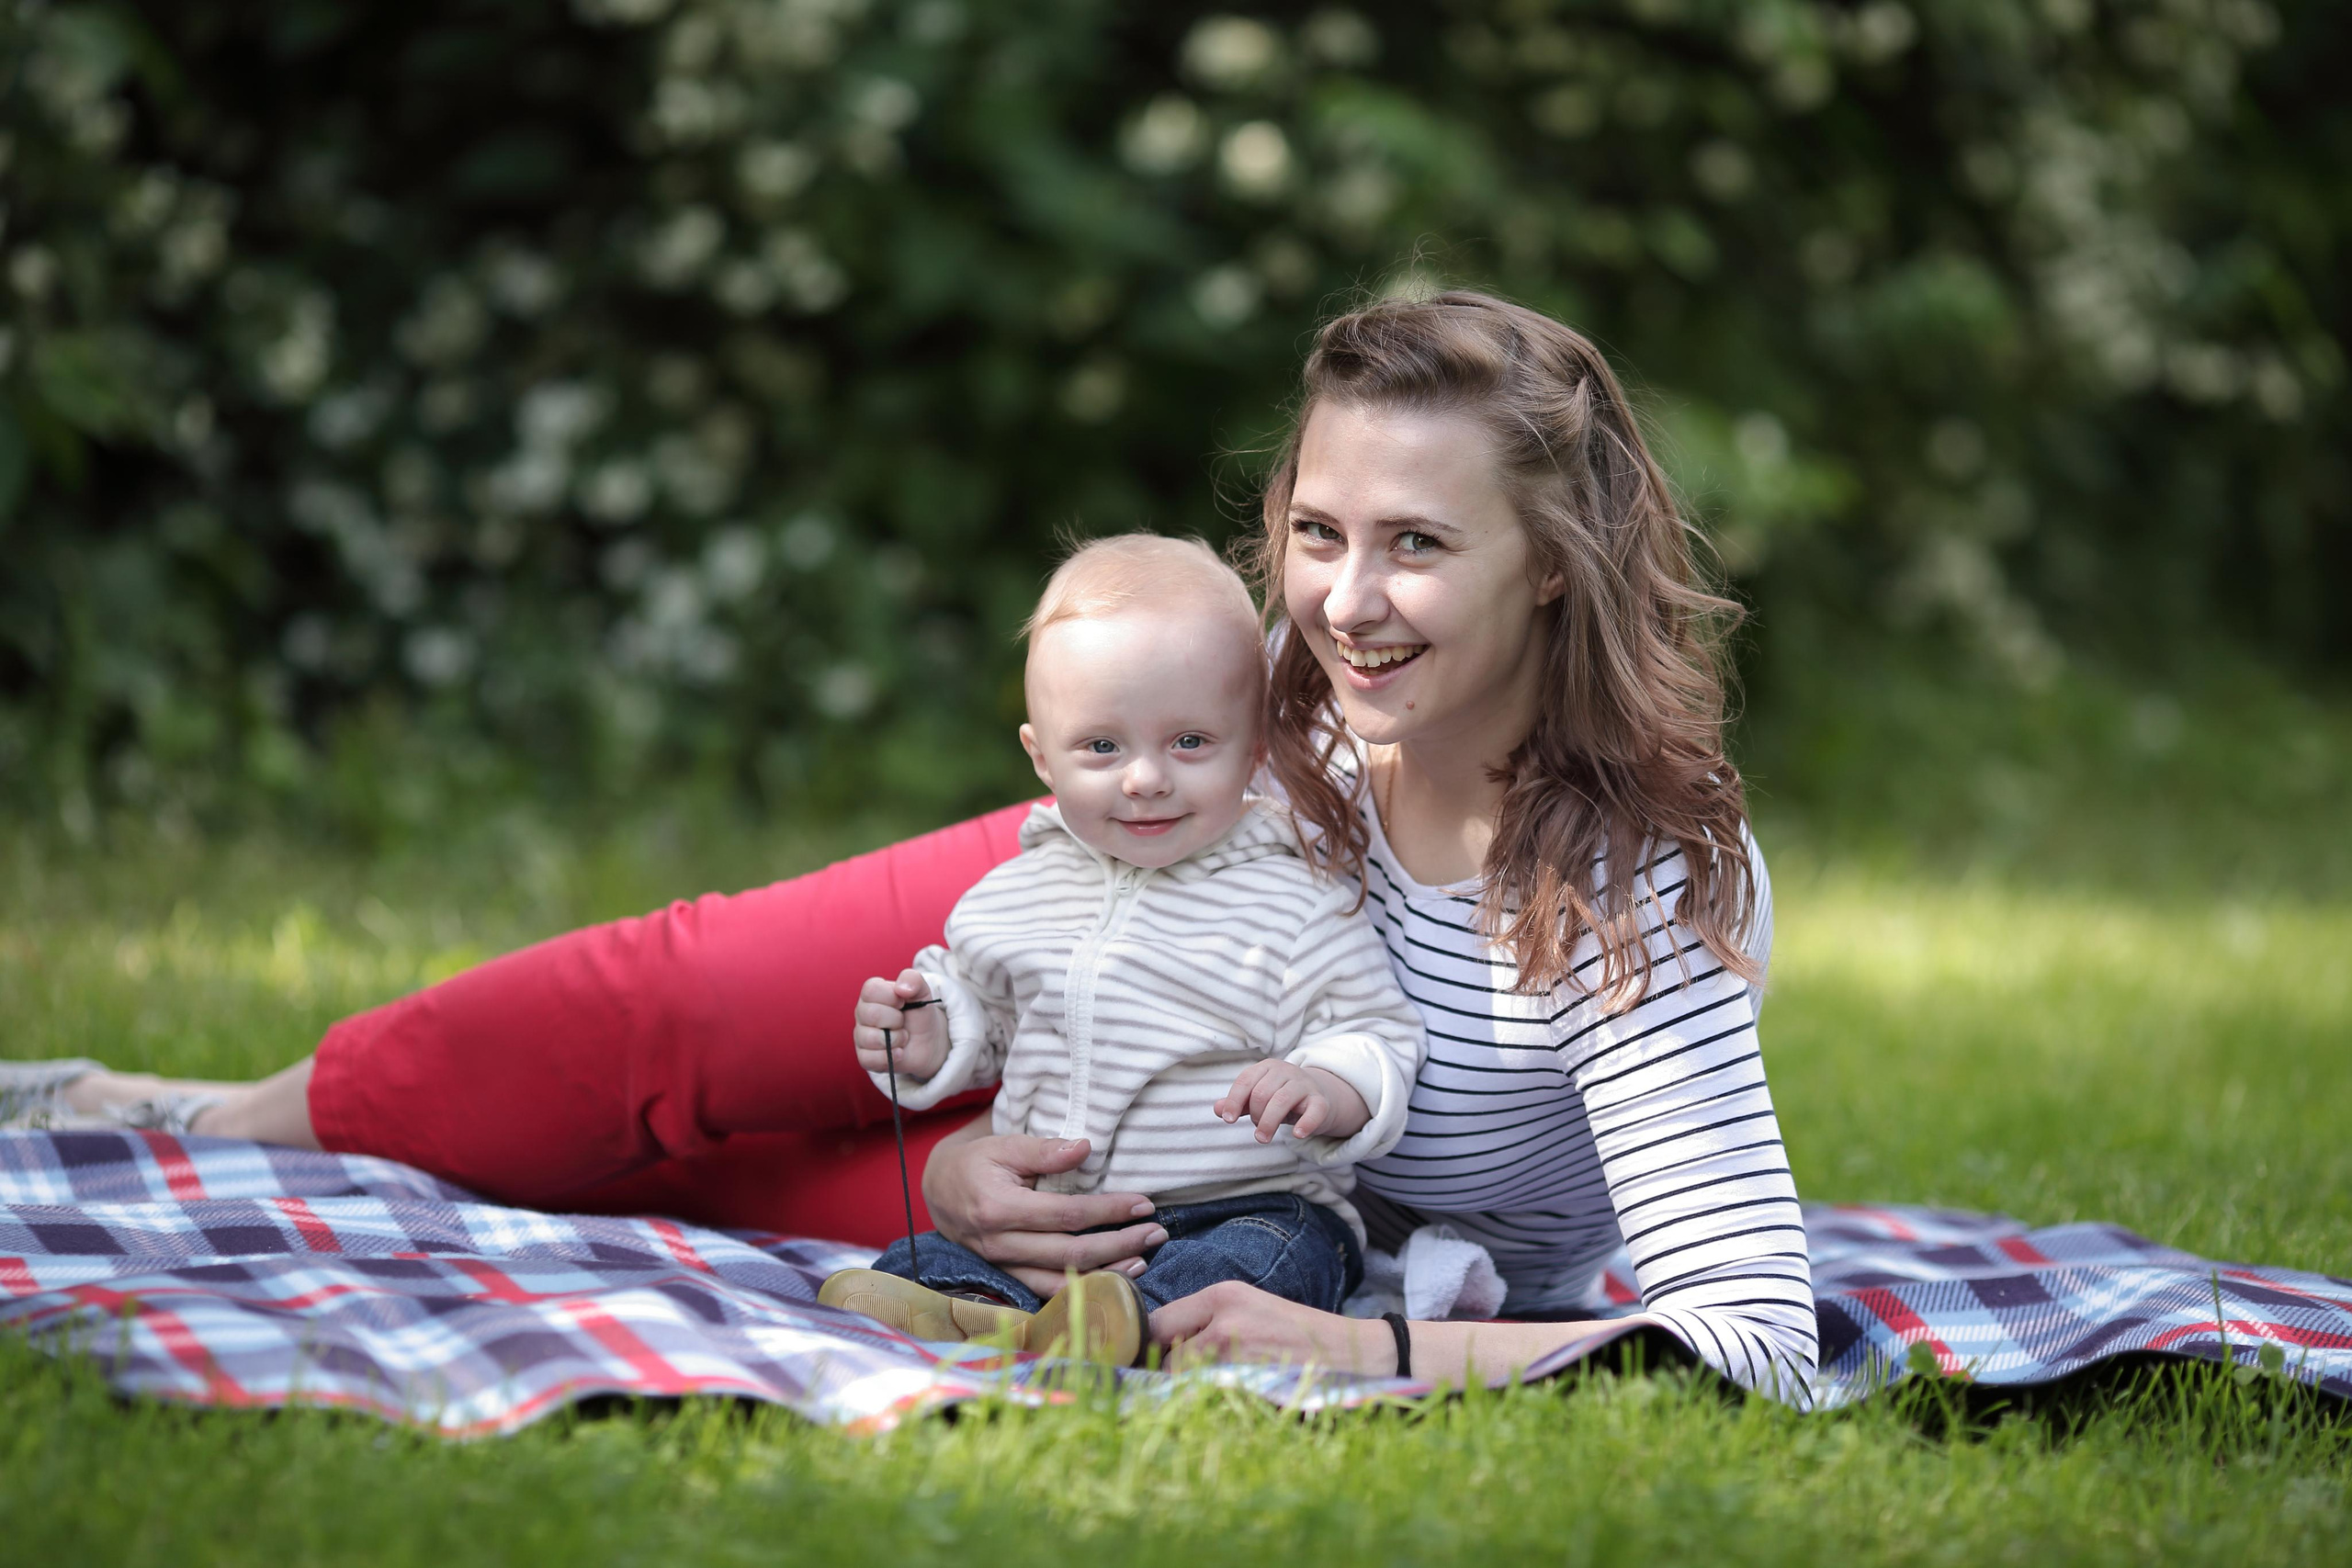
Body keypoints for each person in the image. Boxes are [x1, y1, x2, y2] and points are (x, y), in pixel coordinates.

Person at [4, 289, 1816, 1400]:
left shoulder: (1622, 897)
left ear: (1550, 567)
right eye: (1314, 530)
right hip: (1110, 882)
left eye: (1416, 544)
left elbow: (1752, 1336)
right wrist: (932, 1136)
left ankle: (303, 1124)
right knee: (682, 1012)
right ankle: (197, 1113)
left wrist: (1374, 1347)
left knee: (700, 1181)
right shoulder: (1288, 705)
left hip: (1228, 1199)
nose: (1342, 601)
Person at [817, 536, 1425, 1364]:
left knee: (1268, 1260)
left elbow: (1376, 1032)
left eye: (1189, 743)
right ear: (1041, 756)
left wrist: (1325, 1082)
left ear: (1254, 752)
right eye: (1102, 747)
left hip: (1243, 1201)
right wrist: (929, 1033)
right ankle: (1008, 1313)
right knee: (927, 1256)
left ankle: (1124, 1323)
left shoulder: (1294, 900)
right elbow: (982, 1015)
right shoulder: (1016, 894)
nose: (1144, 779)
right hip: (1062, 1215)